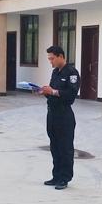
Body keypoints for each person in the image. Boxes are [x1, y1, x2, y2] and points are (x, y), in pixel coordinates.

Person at [40, 46, 80, 191]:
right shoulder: (55, 72)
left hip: (64, 115)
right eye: (49, 59)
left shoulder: (71, 72)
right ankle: (56, 176)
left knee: (65, 148)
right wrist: (45, 92)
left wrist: (53, 91)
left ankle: (64, 178)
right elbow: (53, 92)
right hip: (52, 114)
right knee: (54, 146)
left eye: (52, 58)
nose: (50, 62)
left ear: (61, 56)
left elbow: (70, 95)